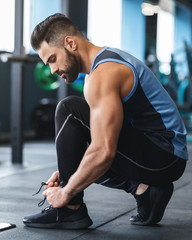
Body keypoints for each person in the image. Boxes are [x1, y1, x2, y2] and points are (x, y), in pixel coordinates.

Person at [23, 13, 188, 230]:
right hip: (160, 155)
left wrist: (65, 191)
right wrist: (67, 172)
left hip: (164, 155)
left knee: (69, 109)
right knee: (80, 141)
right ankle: (145, 191)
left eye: (52, 59)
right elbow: (96, 137)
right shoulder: (101, 66)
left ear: (70, 43)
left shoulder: (104, 74)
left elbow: (103, 151)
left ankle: (70, 210)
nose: (52, 70)